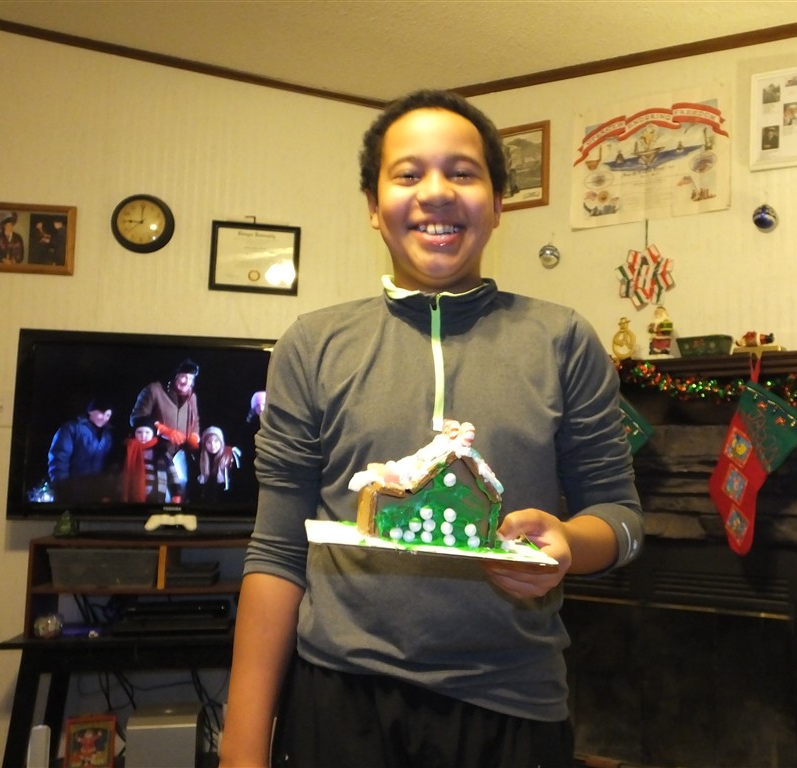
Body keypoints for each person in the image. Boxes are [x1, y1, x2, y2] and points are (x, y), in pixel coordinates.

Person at [221, 89, 644, 768]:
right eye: (409, 174)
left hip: (514, 702)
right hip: (338, 698)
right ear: (373, 204)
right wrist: (241, 750)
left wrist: (568, 544)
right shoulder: (312, 344)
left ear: (498, 202)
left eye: (463, 172)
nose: (437, 192)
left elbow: (622, 519)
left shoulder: (563, 340)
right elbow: (275, 552)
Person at [130, 359, 201, 497]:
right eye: (183, 376)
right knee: (157, 493)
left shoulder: (192, 397)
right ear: (175, 375)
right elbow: (137, 417)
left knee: (179, 492)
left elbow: (195, 420)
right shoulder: (154, 390)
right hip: (157, 453)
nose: (187, 382)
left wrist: (194, 435)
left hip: (180, 454)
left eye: (191, 378)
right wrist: (162, 430)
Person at [47, 397, 115, 503]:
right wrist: (63, 487)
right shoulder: (71, 429)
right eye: (101, 413)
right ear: (90, 411)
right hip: (72, 490)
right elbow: (59, 459)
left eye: (108, 415)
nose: (104, 418)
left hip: (94, 493)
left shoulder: (107, 435)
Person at [120, 417, 181, 503]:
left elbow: (172, 474)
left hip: (156, 496)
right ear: (134, 433)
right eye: (139, 432)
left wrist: (176, 493)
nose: (143, 436)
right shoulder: (127, 450)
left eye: (147, 432)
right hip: (131, 498)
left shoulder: (161, 452)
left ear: (153, 433)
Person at [192, 425, 241, 502]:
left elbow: (237, 481)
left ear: (221, 442)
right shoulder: (199, 458)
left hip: (226, 499)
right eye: (209, 442)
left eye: (216, 441)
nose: (213, 445)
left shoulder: (230, 457)